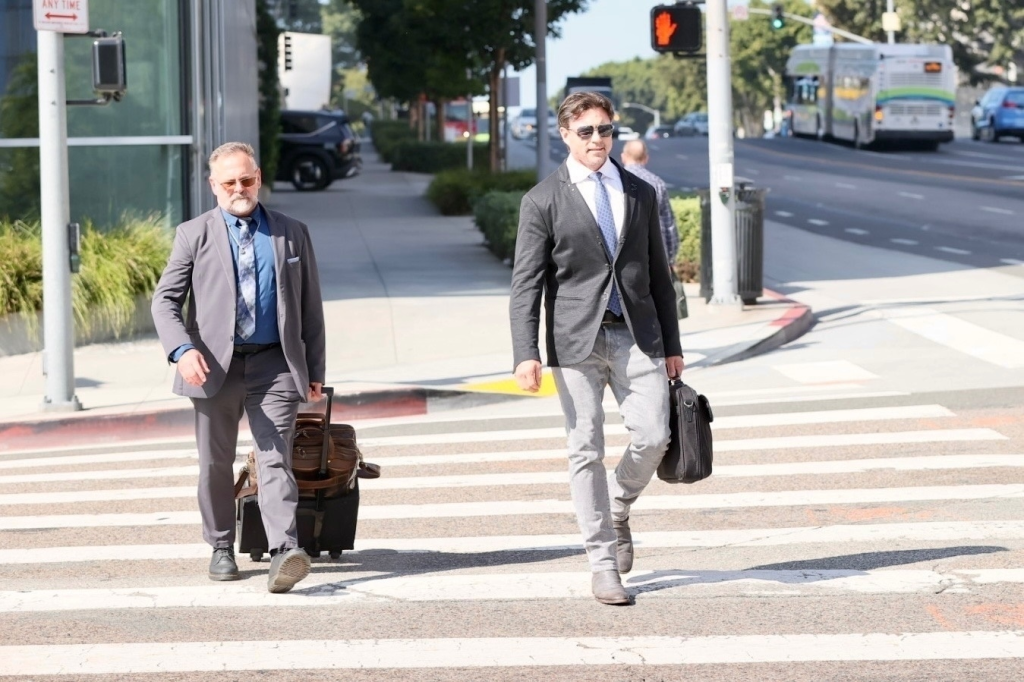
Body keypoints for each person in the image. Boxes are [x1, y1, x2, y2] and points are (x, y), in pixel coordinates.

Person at [509, 92, 684, 606]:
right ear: (565, 135)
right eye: (585, 131)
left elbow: (658, 273)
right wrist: (525, 350)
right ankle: (603, 563)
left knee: (654, 436)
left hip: (637, 332)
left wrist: (672, 343)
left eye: (604, 130)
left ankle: (620, 504)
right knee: (584, 449)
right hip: (574, 341)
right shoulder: (542, 200)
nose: (597, 140)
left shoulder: (640, 191)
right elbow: (526, 285)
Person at [151, 141, 326, 594]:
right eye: (228, 182)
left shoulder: (291, 232)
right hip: (213, 367)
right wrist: (181, 351)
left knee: (275, 459)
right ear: (213, 186)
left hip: (276, 365)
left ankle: (285, 551)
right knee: (215, 462)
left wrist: (315, 371)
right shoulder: (194, 234)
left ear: (259, 177)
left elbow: (310, 309)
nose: (239, 189)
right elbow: (165, 302)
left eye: (246, 179)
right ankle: (221, 545)